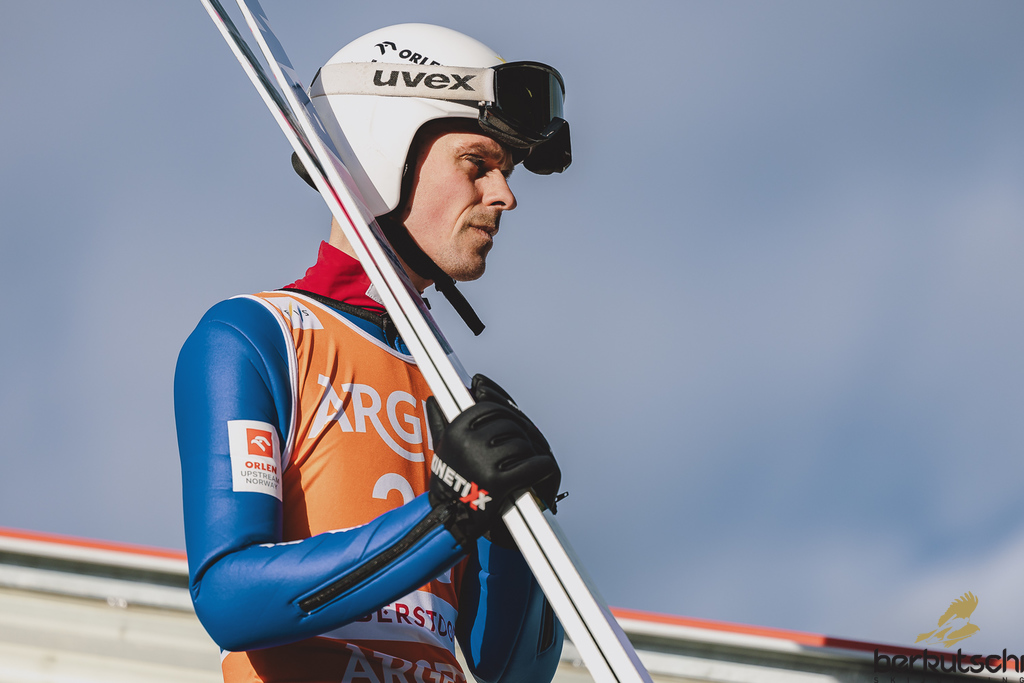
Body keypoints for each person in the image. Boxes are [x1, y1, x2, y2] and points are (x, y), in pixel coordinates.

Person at [175, 22, 572, 683]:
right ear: (384, 154)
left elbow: (510, 673)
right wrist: (448, 514)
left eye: (504, 173)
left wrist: (516, 531)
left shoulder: (451, 392)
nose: (504, 195)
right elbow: (230, 597)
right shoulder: (258, 335)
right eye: (478, 165)